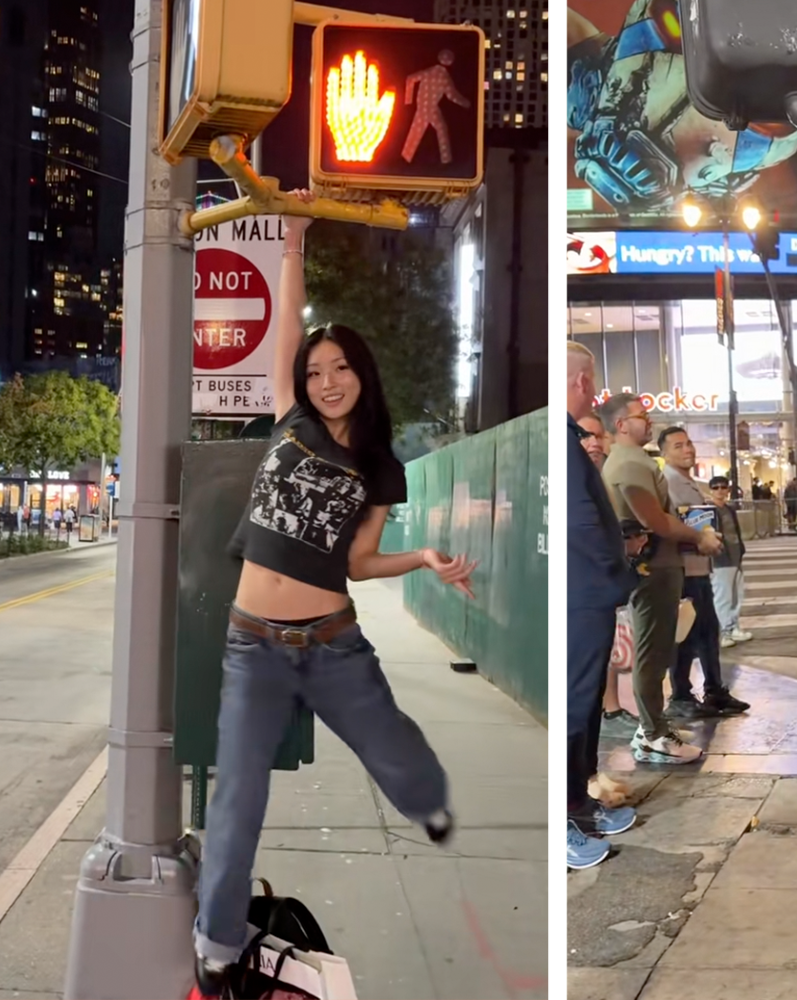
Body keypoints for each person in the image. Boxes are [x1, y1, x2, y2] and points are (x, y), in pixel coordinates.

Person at [197, 194, 477, 993]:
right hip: (253, 641)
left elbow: (357, 561)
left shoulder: (380, 466)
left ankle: (432, 805)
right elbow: (287, 329)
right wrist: (291, 244)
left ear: (363, 374)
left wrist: (420, 558)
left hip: (330, 644)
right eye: (315, 372)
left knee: (396, 755)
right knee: (238, 798)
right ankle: (216, 949)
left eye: (340, 368)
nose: (325, 381)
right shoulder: (290, 423)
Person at [598, 393, 717, 764]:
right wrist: (699, 537)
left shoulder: (635, 461)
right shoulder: (630, 465)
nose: (649, 421)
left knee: (659, 650)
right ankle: (653, 734)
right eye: (641, 415)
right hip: (652, 570)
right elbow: (655, 520)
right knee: (652, 654)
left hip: (660, 566)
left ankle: (653, 725)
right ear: (620, 424)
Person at [566, 344, 642, 870]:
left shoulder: (571, 442)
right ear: (578, 379)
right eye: (589, 380)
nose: (593, 390)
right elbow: (584, 526)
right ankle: (566, 819)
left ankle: (578, 804)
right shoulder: (563, 442)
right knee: (576, 706)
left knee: (588, 703)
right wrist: (619, 576)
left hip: (590, 594)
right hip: (583, 595)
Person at [658, 427, 750, 719]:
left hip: (699, 567)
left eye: (689, 444)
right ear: (664, 453)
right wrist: (700, 539)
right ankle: (682, 695)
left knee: (708, 630)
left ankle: (714, 689)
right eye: (678, 446)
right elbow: (671, 525)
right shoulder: (668, 483)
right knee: (687, 634)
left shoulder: (690, 483)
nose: (687, 450)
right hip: (685, 569)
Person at [581, 414, 642, 740]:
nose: (593, 443)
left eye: (597, 436)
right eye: (585, 436)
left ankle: (611, 708)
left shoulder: (599, 476)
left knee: (609, 650)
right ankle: (609, 710)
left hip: (607, 581)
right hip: (589, 585)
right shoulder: (580, 479)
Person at [706, 476, 753, 648]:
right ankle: (725, 631)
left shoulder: (729, 509)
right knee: (723, 596)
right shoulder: (709, 510)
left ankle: (733, 627)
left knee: (736, 594)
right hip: (720, 558)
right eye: (716, 487)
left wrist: (740, 550)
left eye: (723, 487)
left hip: (735, 556)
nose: (720, 491)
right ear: (711, 490)